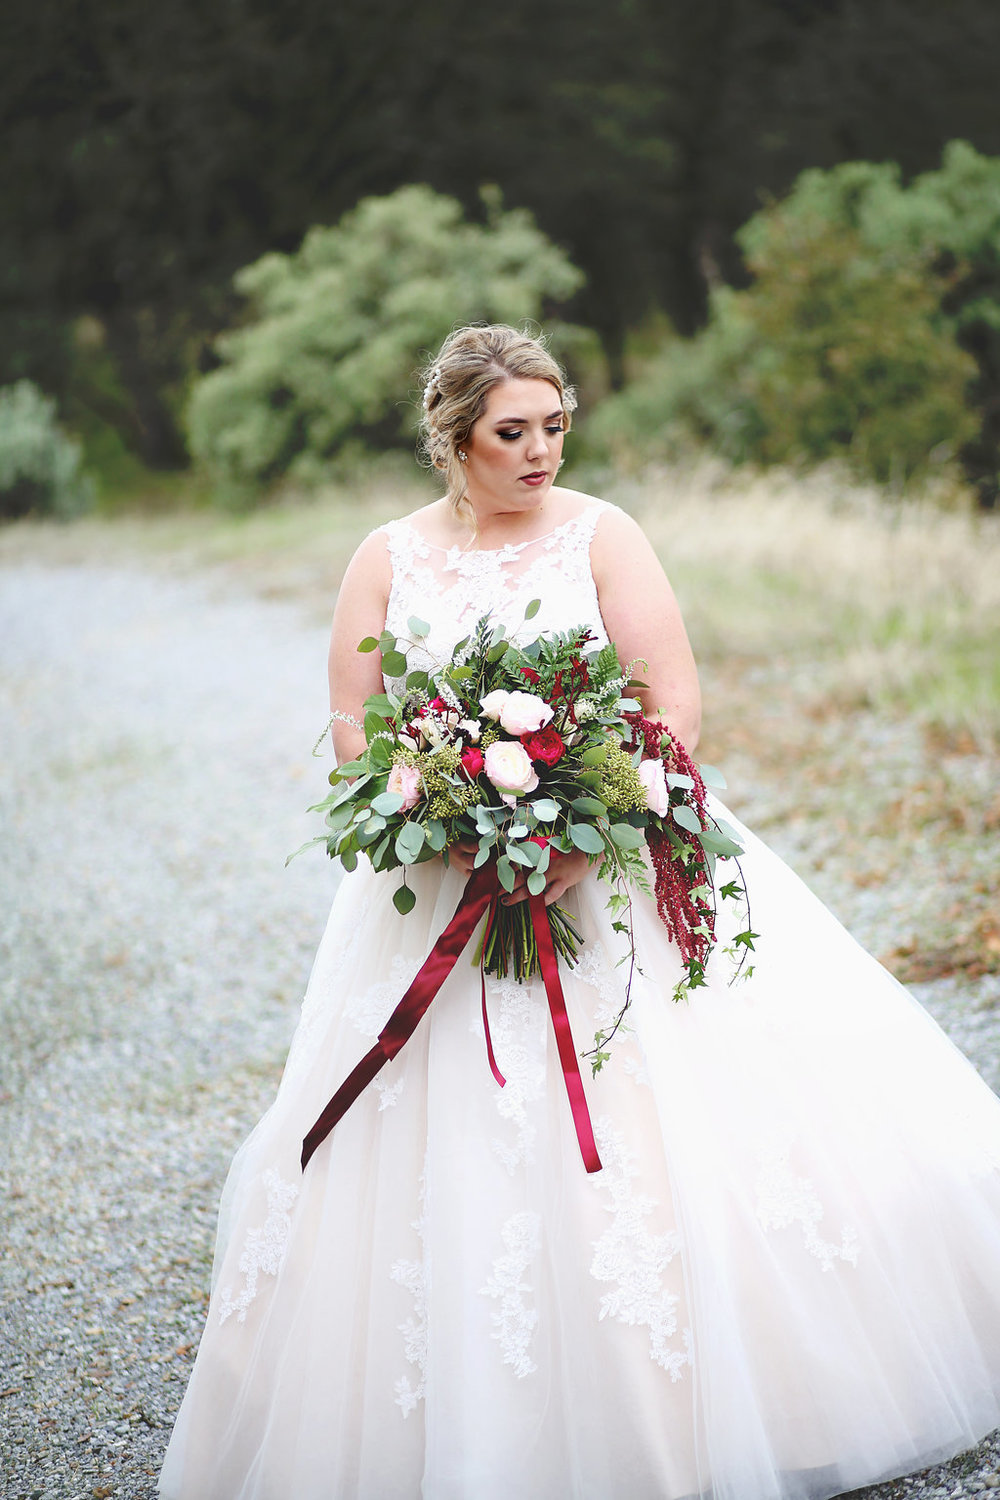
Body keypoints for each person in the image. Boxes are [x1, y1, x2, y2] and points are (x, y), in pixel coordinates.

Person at [158, 325, 1000, 1500]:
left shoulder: (605, 535)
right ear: (453, 439)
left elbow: (672, 703)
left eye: (555, 425)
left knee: (661, 1131)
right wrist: (438, 814)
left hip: (603, 868)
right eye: (514, 432)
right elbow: (355, 721)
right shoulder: (386, 557)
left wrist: (568, 830)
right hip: (437, 883)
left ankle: (690, 1410)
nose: (542, 450)